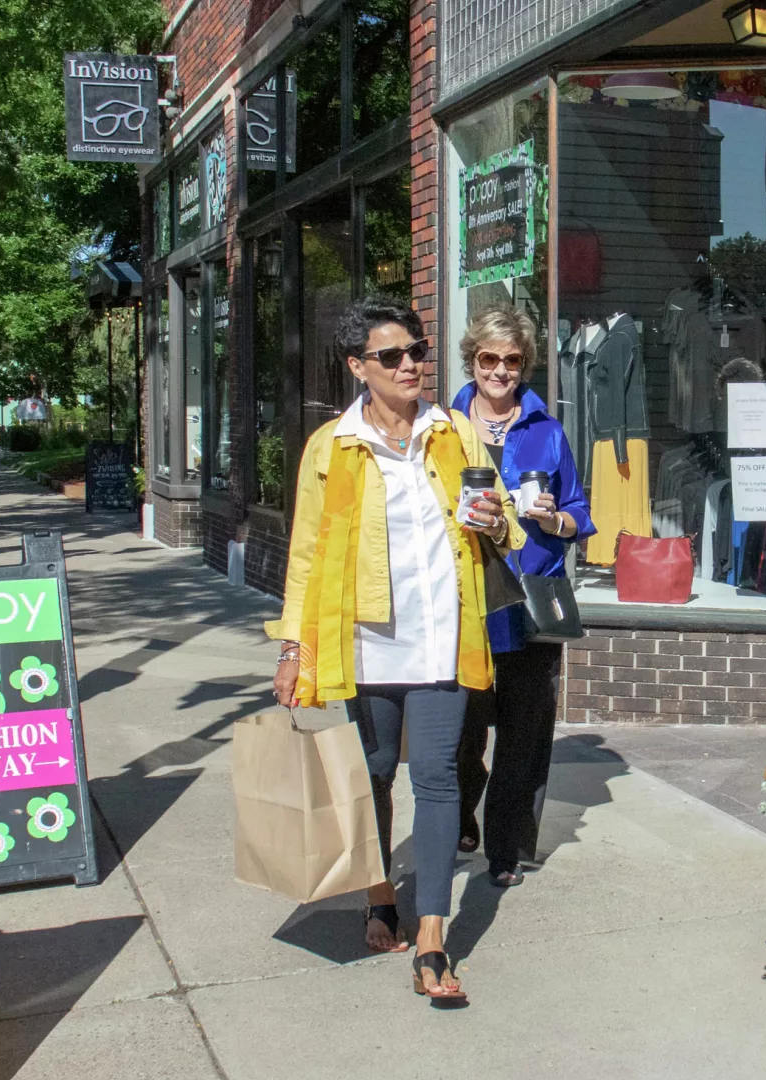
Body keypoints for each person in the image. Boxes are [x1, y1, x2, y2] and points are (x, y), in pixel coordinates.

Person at [268, 296, 523, 1004]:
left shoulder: (455, 434)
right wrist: (295, 645)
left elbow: (505, 530)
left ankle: (434, 938)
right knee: (374, 771)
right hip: (363, 639)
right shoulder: (332, 447)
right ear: (358, 367)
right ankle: (380, 893)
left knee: (438, 776)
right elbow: (308, 553)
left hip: (443, 632)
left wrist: (496, 520)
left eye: (415, 351)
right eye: (391, 356)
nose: (410, 364)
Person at [451, 306, 595, 887]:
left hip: (531, 601)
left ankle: (505, 849)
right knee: (461, 729)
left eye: (512, 360)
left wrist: (557, 519)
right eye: (490, 358)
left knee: (523, 734)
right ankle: (463, 808)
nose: (501, 371)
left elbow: (582, 513)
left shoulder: (547, 430)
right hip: (465, 600)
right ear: (473, 359)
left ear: (524, 365)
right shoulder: (443, 424)